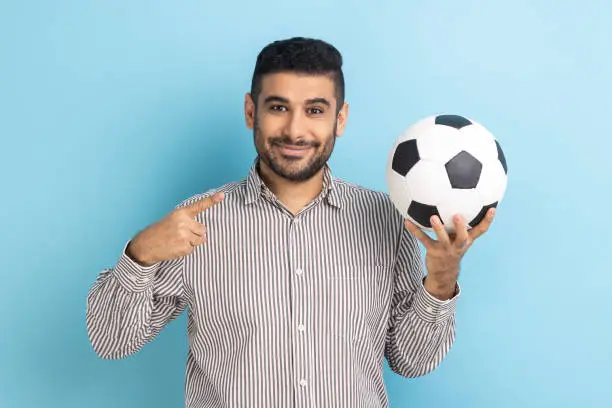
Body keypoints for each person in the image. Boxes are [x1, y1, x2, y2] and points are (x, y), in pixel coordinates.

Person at [86, 36, 495, 408]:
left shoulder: (386, 220)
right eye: (278, 107)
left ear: (340, 118)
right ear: (251, 112)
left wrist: (440, 283)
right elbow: (111, 341)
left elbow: (412, 362)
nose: (295, 130)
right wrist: (139, 256)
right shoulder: (197, 220)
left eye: (315, 110)